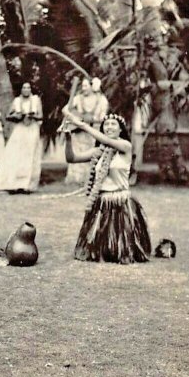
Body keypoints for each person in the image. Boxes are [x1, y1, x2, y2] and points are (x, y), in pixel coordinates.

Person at [63, 106, 151, 264]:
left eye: (113, 124)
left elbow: (107, 140)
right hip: (101, 201)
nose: (109, 127)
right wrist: (68, 136)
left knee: (120, 248)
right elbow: (72, 158)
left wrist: (81, 124)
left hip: (120, 201)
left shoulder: (125, 146)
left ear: (120, 129)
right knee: (97, 249)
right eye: (106, 124)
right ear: (102, 128)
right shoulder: (100, 150)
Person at [0, 82, 43, 193]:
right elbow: (9, 116)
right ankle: (13, 184)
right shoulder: (17, 101)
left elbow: (40, 116)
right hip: (20, 129)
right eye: (24, 87)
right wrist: (17, 116)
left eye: (28, 87)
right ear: (21, 89)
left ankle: (27, 185)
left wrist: (31, 115)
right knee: (16, 155)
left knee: (30, 156)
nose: (26, 89)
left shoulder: (36, 100)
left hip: (32, 129)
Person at [65, 77, 108, 186]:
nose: (83, 88)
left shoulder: (101, 99)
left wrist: (93, 119)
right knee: (78, 153)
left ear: (92, 86)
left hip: (94, 132)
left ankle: (91, 180)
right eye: (82, 86)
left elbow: (103, 116)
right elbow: (65, 109)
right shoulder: (78, 98)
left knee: (92, 154)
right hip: (79, 132)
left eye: (86, 86)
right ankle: (76, 179)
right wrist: (74, 118)